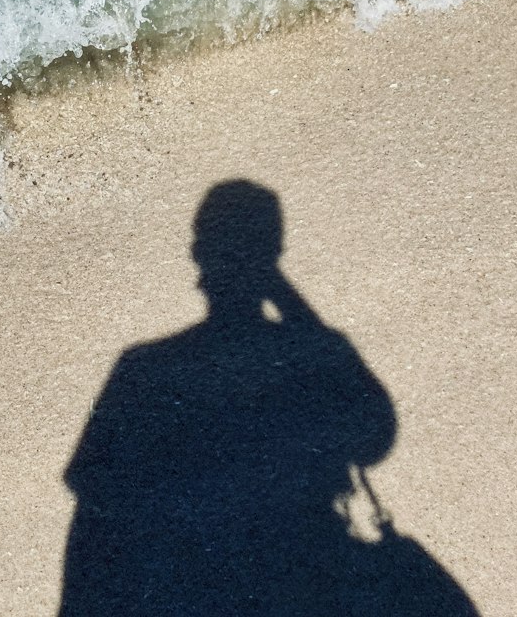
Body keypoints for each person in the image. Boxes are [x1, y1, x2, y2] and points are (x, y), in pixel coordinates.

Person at [58, 180, 478, 615]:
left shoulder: (146, 370)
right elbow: (375, 439)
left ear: (197, 254)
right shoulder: (311, 353)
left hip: (194, 588)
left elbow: (97, 515)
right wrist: (282, 294)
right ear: (273, 256)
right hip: (311, 582)